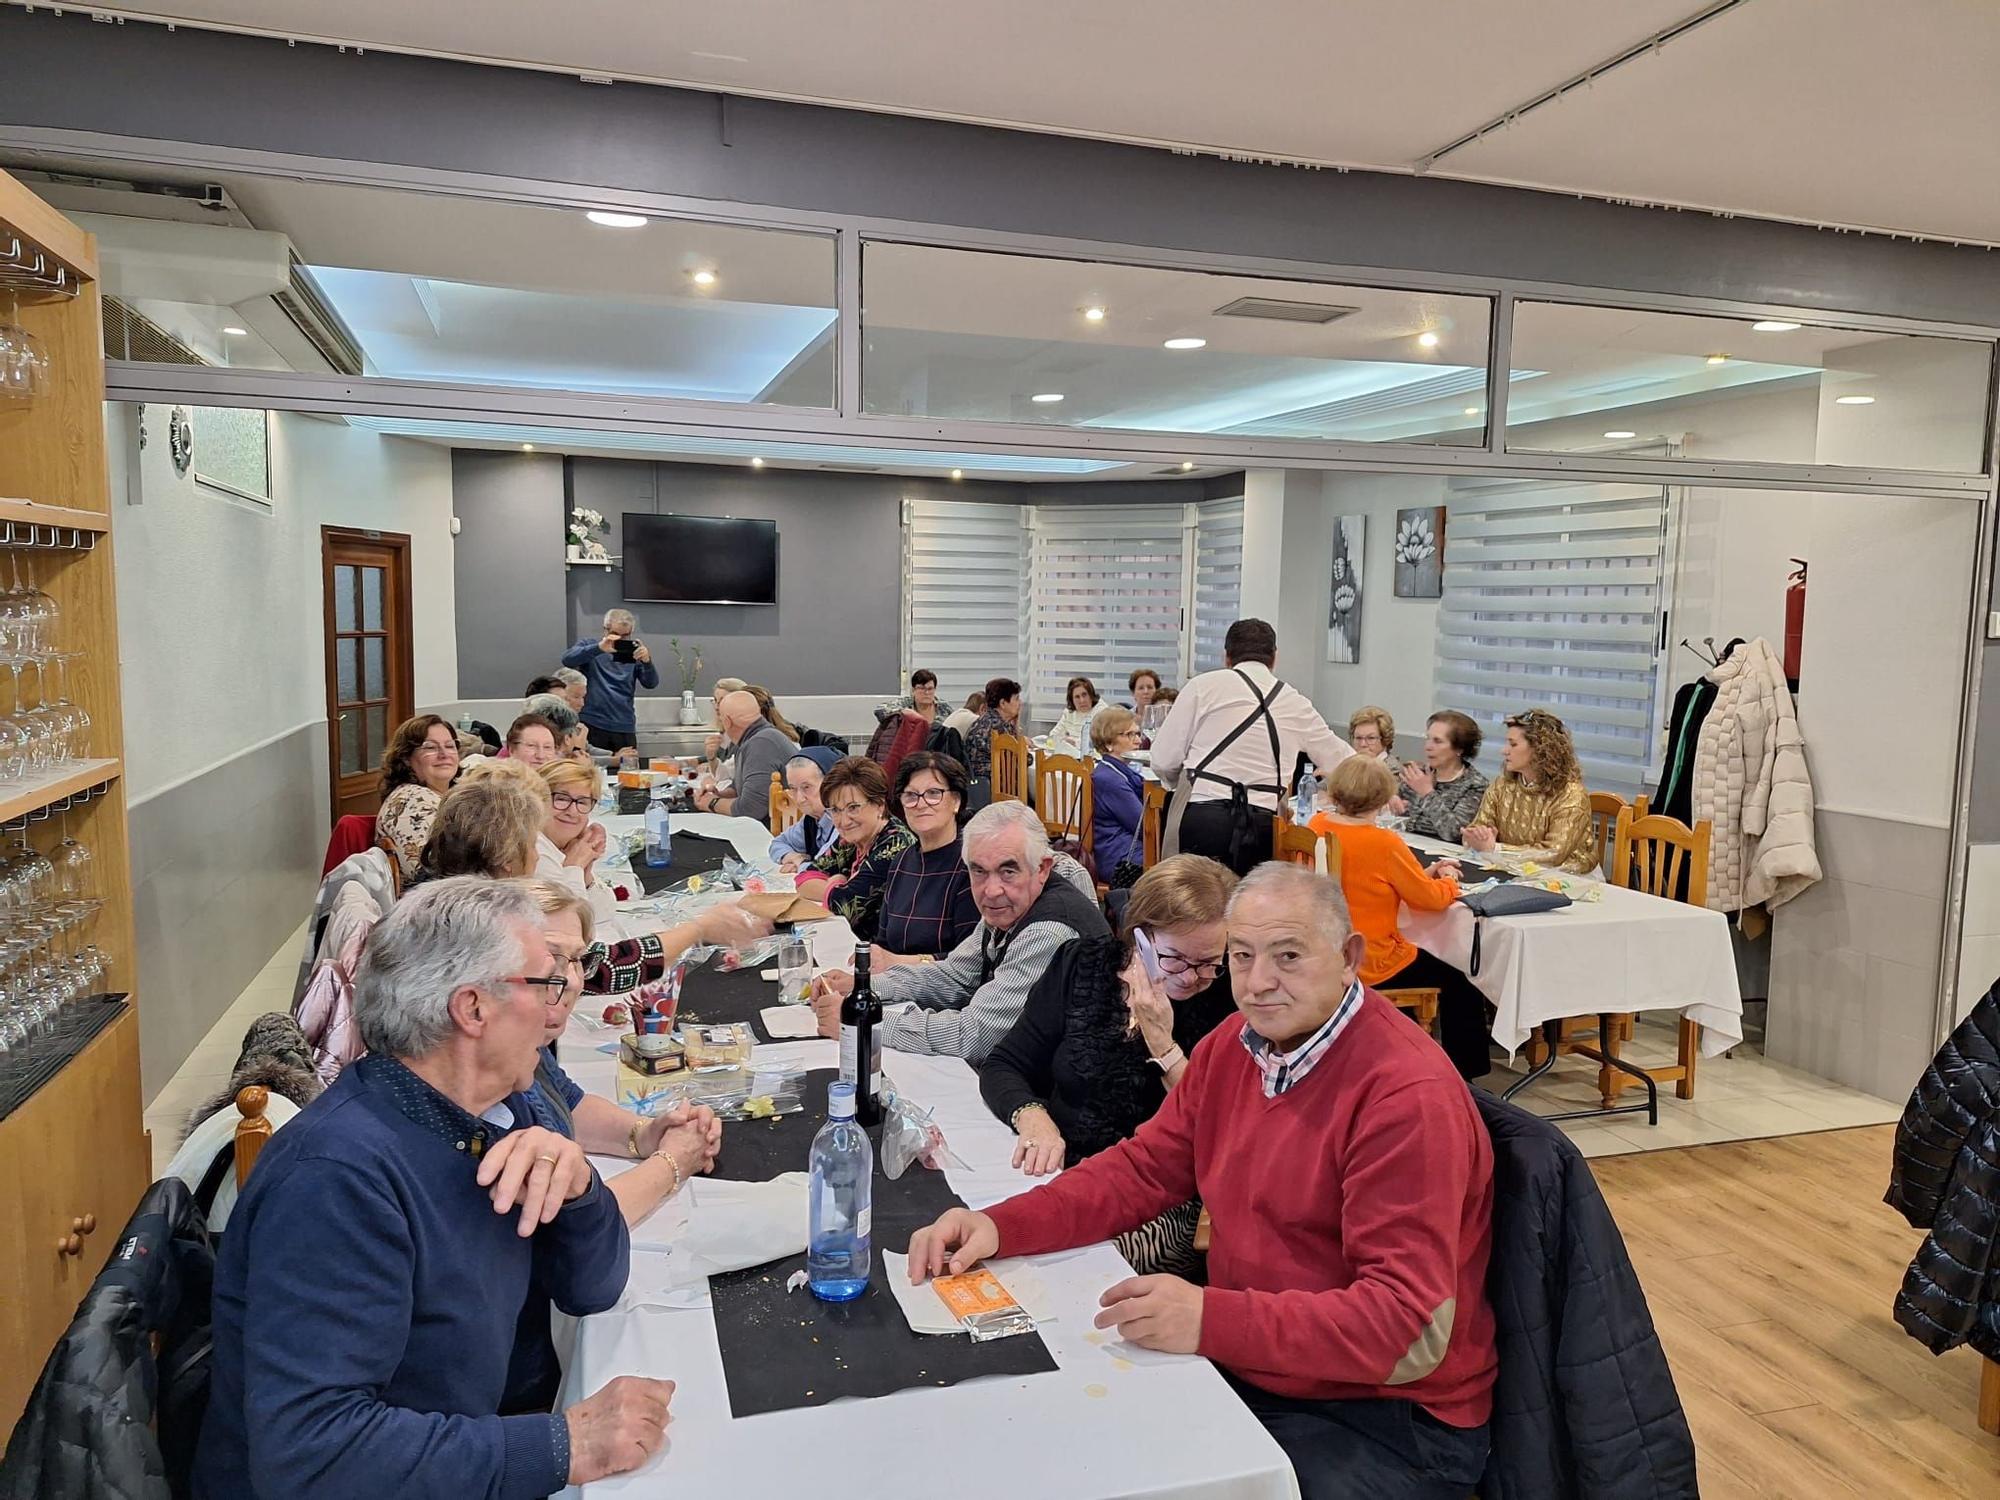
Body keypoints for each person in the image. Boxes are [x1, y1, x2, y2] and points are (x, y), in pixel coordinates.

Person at [908, 864, 1497, 1500]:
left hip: (1386, 1417)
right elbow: (1142, 1170)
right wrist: (1002, 1224)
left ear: (1350, 957)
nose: (1259, 983)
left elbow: (1407, 1329)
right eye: (1241, 957)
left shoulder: (1404, 1097)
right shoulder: (1237, 1047)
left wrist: (1209, 1318)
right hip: (1271, 1369)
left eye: (1289, 956)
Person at [195, 877, 673, 1498]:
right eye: (545, 981)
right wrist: (565, 1444)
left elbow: (592, 1288)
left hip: (467, 1439)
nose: (560, 1001)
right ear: (473, 1008)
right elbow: (312, 1454)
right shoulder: (337, 1180)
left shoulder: (503, 1111)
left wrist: (580, 1189)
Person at [504, 882, 722, 1415]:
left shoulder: (526, 1048)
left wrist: (644, 1134)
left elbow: (568, 1102)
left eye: (577, 961)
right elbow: (578, 1232)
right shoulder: (489, 1079)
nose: (570, 982)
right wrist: (675, 1162)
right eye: (551, 959)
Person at [979, 856, 1237, 1275]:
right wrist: (1032, 1115)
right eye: (1175, 959)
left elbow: (1218, 1127)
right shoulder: (1083, 963)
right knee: (985, 1241)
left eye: (1210, 963)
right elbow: (1005, 1063)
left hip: (1160, 1196)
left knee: (1054, 1274)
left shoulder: (1228, 1002)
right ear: (1141, 939)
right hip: (1059, 1170)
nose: (1192, 977)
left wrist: (1164, 1045)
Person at [809, 801, 1110, 1063]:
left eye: (1008, 871)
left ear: (1042, 868)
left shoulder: (1048, 930)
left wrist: (863, 1021)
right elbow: (953, 976)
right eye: (978, 871)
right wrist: (863, 988)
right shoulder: (1011, 905)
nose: (991, 890)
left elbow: (974, 1035)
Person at [1309, 758, 1490, 1080]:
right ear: (1382, 799)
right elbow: (1430, 900)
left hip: (1326, 950)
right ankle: (1468, 1074)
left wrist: (1422, 875)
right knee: (1462, 977)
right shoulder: (1384, 842)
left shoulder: (1318, 826)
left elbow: (1366, 880)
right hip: (1372, 958)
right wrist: (1448, 879)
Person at [1151, 618, 1352, 874]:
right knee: (1250, 911)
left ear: (1227, 656)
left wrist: (1176, 784)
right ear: (1274, 657)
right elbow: (1344, 764)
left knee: (1195, 907)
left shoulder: (1203, 686)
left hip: (1203, 816)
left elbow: (1163, 760)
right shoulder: (1295, 702)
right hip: (1263, 825)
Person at [794, 756, 916, 943]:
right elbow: (804, 879)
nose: (843, 821)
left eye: (853, 808)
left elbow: (842, 904)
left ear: (879, 805)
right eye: (835, 810)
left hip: (884, 953)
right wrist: (837, 883)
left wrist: (834, 886)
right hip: (852, 941)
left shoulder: (894, 845)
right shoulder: (851, 839)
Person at [873, 752, 980, 965]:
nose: (921, 804)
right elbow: (883, 941)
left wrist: (897, 962)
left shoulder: (971, 865)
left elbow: (970, 961)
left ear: (956, 801)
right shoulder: (901, 862)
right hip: (892, 984)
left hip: (943, 991)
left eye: (933, 793)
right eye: (911, 796)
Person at [1462, 709, 1597, 875]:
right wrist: (1476, 836)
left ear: (1540, 750)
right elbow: (1478, 829)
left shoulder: (1571, 794)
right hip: (1511, 870)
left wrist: (1494, 848)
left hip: (1568, 878)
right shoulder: (1501, 785)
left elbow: (1553, 854)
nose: (1504, 751)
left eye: (1513, 744)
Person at [534, 758, 621, 930]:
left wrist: (586, 873)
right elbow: (574, 926)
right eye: (561, 798)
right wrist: (575, 866)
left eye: (582, 802)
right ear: (537, 799)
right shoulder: (535, 851)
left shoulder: (563, 846)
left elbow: (605, 913)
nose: (572, 811)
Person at [563, 608, 660, 756]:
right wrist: (599, 648)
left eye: (625, 636)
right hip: (592, 723)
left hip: (624, 726)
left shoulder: (634, 653)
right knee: (591, 771)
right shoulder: (590, 646)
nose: (620, 640)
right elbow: (568, 659)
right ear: (605, 630)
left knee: (628, 772)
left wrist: (647, 662)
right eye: (615, 635)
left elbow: (651, 683)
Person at [692, 689, 797, 824]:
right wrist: (720, 794)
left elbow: (751, 809)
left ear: (727, 721)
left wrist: (711, 803)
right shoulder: (756, 739)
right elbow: (739, 787)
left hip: (774, 833)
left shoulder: (761, 744)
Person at [376, 715, 462, 879]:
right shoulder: (411, 800)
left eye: (450, 746)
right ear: (407, 758)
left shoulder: (451, 796)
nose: (444, 754)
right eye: (430, 748)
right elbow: (428, 874)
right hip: (433, 898)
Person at [1398, 711, 1490, 845]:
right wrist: (1392, 802)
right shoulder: (1419, 774)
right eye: (1428, 738)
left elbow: (1454, 833)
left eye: (1437, 741)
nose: (1428, 747)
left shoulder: (1475, 784)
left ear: (1459, 749)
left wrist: (1427, 793)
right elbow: (1399, 817)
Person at [1090, 707, 1148, 875]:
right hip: (1120, 859)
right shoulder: (1110, 780)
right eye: (1130, 735)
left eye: (1138, 734)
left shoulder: (1115, 771)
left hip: (1124, 848)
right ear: (1108, 743)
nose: (1138, 741)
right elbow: (1143, 826)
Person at [767, 748, 842, 870]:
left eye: (806, 787)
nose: (800, 798)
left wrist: (801, 865)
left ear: (831, 784)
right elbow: (778, 843)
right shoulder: (811, 819)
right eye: (793, 789)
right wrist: (790, 856)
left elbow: (824, 867)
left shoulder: (843, 821)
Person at [964, 676, 1023, 784]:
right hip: (993, 787)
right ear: (1003, 703)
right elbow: (1024, 759)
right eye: (1016, 698)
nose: (1020, 703)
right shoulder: (998, 727)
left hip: (975, 783)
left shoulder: (983, 720)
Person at [701, 676, 750, 775]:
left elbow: (730, 777)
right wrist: (710, 758)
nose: (717, 707)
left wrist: (710, 763)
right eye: (715, 700)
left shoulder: (746, 736)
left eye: (723, 701)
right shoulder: (726, 732)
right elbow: (723, 770)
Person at [1046, 675, 1104, 756]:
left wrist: (1073, 742)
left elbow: (1099, 742)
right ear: (1072, 700)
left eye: (1084, 695)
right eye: (1077, 697)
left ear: (1091, 695)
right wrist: (1062, 741)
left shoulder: (1102, 711)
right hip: (1071, 757)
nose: (1082, 700)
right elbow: (1053, 735)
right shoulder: (1069, 712)